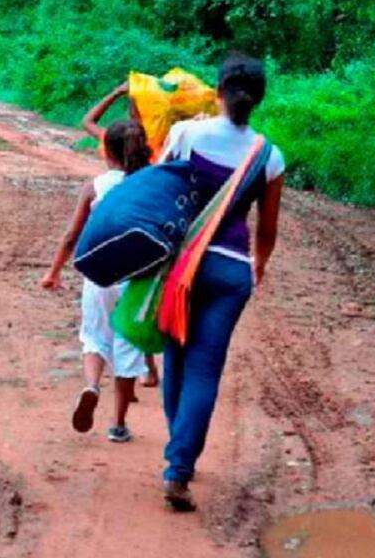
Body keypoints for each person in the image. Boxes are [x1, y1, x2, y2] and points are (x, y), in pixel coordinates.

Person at [156, 53, 284, 511]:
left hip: (183, 265)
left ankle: (180, 454)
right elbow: (266, 230)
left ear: (218, 90)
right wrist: (259, 264)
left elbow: (158, 189)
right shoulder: (269, 156)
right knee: (205, 369)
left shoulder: (187, 134)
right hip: (231, 271)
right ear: (258, 100)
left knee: (176, 356)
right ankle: (179, 465)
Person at [40, 121, 153, 443]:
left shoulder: (97, 186)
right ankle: (118, 424)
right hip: (138, 277)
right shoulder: (150, 184)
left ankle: (91, 386)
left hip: (100, 273)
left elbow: (71, 235)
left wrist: (54, 272)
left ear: (107, 150)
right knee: (128, 343)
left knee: (94, 336)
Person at [81, 83, 160, 389]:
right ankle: (148, 370)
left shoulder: (111, 141)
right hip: (141, 249)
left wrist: (115, 91)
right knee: (136, 306)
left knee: (102, 321)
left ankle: (109, 377)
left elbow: (87, 121)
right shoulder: (152, 155)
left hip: (106, 252)